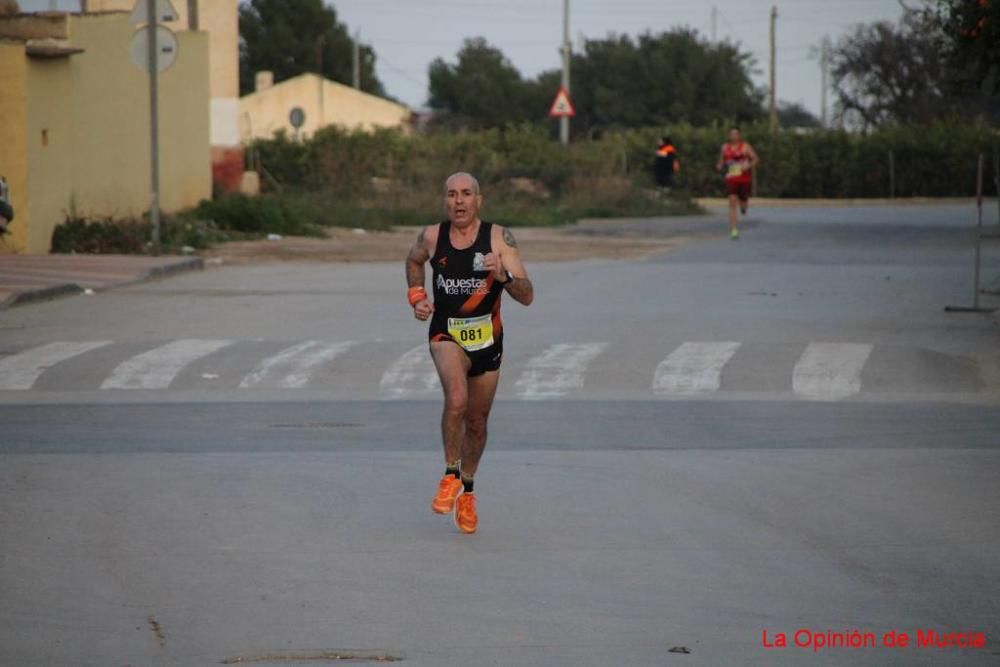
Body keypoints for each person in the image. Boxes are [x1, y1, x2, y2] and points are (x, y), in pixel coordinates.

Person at [404, 172, 534, 534]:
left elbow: (527, 295)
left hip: (488, 340)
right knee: (457, 399)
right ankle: (449, 474)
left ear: (479, 200)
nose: (458, 202)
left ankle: (468, 490)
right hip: (446, 333)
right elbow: (413, 261)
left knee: (477, 423)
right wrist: (416, 296)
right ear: (444, 201)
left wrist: (504, 277)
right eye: (451, 195)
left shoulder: (499, 238)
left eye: (466, 194)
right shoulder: (432, 236)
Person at [715, 127, 759, 240]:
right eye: (732, 134)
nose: (734, 136)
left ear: (739, 136)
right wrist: (719, 166)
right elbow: (721, 161)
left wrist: (747, 166)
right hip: (732, 179)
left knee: (743, 203)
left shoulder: (745, 146)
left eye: (736, 134)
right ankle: (734, 230)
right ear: (729, 136)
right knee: (732, 203)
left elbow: (755, 159)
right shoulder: (725, 147)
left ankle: (744, 206)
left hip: (744, 179)